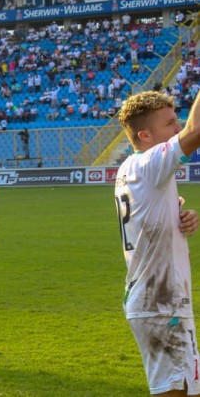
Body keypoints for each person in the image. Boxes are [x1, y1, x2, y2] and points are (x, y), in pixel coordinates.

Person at [115, 90, 200, 396]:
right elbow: (197, 131)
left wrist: (183, 215)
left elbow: (152, 213)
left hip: (161, 302)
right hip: (160, 305)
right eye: (170, 123)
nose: (178, 128)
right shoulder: (149, 164)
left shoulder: (132, 167)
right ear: (145, 135)